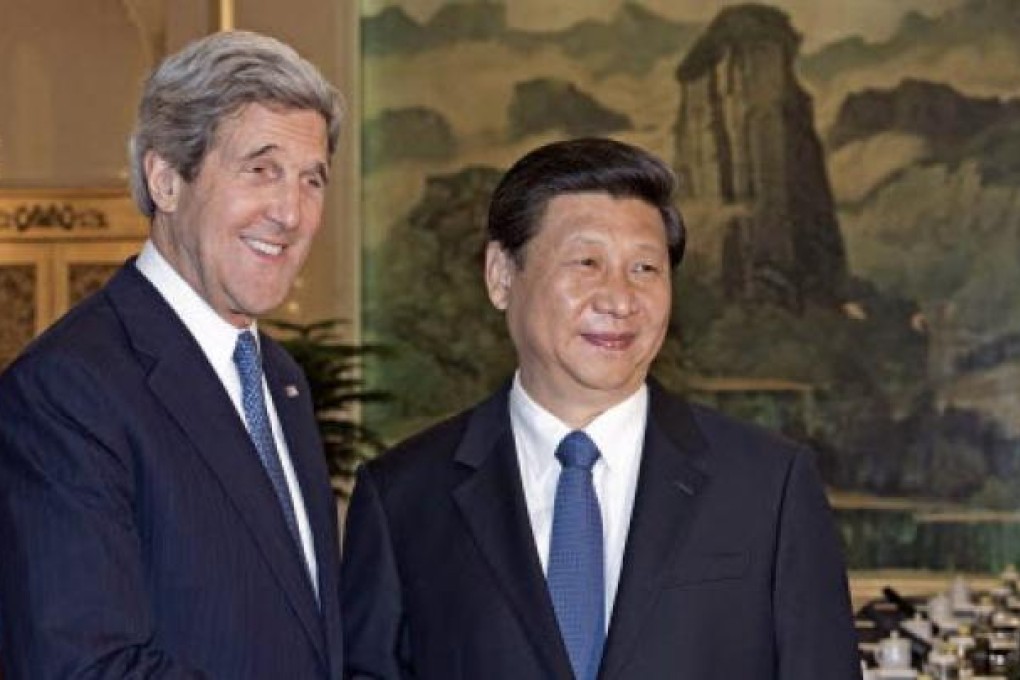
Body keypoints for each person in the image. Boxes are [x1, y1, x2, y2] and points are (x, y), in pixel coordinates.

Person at [340, 138, 862, 679]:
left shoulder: (767, 487)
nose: (618, 299)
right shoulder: (402, 497)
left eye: (644, 269)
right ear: (500, 275)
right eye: (587, 262)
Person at [0, 31, 344, 678]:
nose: (290, 213)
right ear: (165, 179)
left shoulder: (281, 380)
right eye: (260, 170)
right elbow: (80, 666)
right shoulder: (67, 391)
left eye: (312, 179)